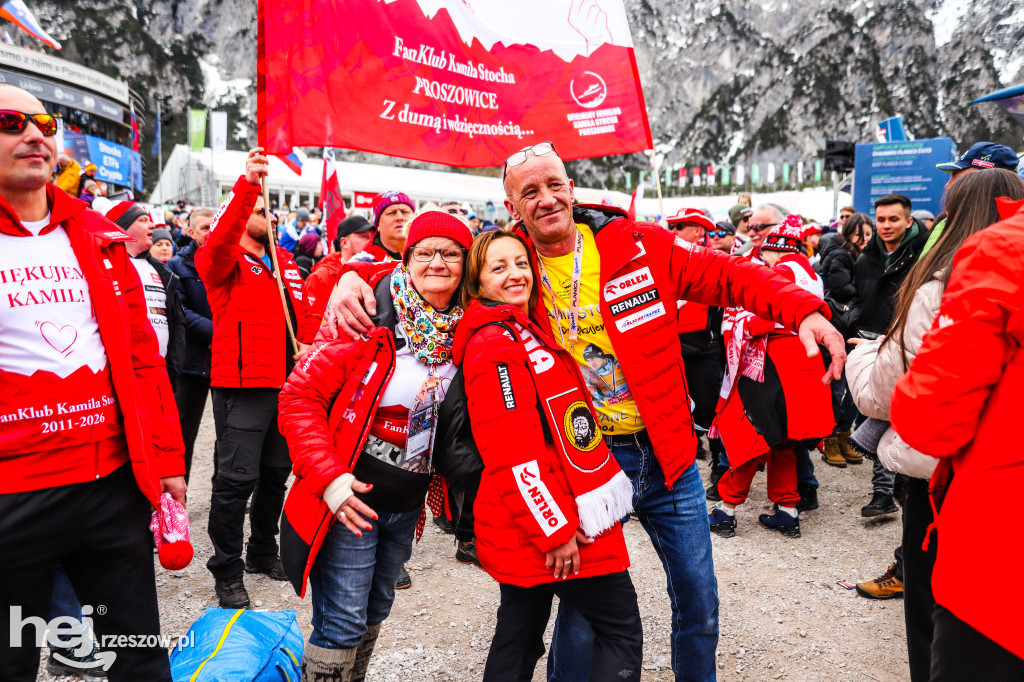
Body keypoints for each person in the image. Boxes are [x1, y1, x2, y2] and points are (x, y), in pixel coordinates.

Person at [327, 142, 845, 681]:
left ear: (571, 189)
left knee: (698, 600)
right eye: (530, 192)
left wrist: (803, 308)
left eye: (554, 185)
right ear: (511, 205)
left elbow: (730, 276)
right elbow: (429, 274)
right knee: (582, 614)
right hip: (586, 461)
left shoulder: (638, 244)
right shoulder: (508, 262)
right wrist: (350, 278)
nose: (546, 198)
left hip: (667, 455)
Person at [0, 83, 185, 682]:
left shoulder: (99, 239)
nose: (34, 134)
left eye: (44, 122)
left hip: (111, 488)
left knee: (139, 660)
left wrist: (166, 458)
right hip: (12, 497)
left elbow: (141, 362)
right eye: (9, 122)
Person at [277, 208, 473, 680]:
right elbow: (299, 397)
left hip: (406, 506)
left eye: (450, 253)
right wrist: (330, 481)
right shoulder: (365, 317)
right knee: (342, 622)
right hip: (349, 500)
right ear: (406, 261)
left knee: (376, 610)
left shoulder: (471, 330)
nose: (437, 263)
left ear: (468, 263)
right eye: (423, 253)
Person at [848, 169, 1024, 679]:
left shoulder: (967, 272)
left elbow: (920, 412)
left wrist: (864, 358)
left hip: (960, 488)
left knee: (938, 625)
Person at [453, 229, 642, 681]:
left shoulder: (520, 328)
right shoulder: (496, 343)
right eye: (498, 268)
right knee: (619, 631)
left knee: (519, 637)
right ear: (477, 284)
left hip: (528, 516)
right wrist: (554, 529)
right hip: (546, 519)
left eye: (521, 263)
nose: (515, 274)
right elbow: (509, 447)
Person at [197, 147, 309, 609]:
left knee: (275, 476)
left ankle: (262, 552)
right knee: (235, 480)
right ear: (243, 216)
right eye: (262, 209)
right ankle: (226, 569)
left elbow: (308, 319)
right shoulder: (223, 261)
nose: (271, 213)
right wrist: (247, 187)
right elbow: (220, 239)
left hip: (287, 388)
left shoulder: (286, 264)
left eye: (270, 208)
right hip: (242, 388)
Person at [709, 217, 835, 538]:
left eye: (764, 251)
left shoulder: (780, 272)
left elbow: (763, 319)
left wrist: (741, 327)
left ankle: (726, 509)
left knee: (752, 434)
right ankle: (788, 510)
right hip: (804, 365)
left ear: (773, 251)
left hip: (774, 365)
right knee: (785, 441)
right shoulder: (812, 274)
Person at [854, 194, 929, 518]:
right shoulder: (865, 258)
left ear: (908, 221)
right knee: (873, 415)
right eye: (880, 220)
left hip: (906, 346)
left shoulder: (924, 254)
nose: (885, 226)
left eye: (893, 219)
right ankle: (886, 492)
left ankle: (895, 492)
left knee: (900, 418)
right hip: (870, 344)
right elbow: (855, 297)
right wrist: (853, 322)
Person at [94, 197, 186, 391]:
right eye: (143, 220)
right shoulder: (102, 266)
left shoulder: (163, 272)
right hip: (120, 378)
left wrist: (172, 370)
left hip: (160, 376)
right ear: (121, 227)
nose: (152, 224)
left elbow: (177, 325)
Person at [815, 213, 870, 467]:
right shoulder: (841, 254)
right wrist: (867, 292)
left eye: (868, 234)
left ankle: (843, 435)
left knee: (852, 387)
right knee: (837, 388)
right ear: (849, 233)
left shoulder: (864, 256)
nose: (864, 239)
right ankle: (830, 439)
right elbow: (839, 287)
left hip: (853, 327)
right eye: (860, 234)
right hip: (839, 327)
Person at [166, 207, 215, 484]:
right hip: (192, 363)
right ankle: (177, 491)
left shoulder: (232, 260)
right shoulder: (176, 266)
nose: (211, 233)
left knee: (230, 436)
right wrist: (223, 332)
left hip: (226, 362)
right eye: (205, 228)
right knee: (183, 435)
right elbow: (180, 311)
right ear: (191, 232)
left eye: (214, 226)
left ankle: (226, 493)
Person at [922, 141, 1020, 255]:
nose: (947, 186)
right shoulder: (943, 225)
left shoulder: (1010, 238)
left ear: (990, 184)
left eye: (959, 179)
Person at [299, 215, 375, 345]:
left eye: (371, 237)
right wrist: (310, 348)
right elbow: (310, 320)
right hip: (330, 349)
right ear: (344, 242)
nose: (370, 241)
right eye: (364, 237)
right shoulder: (321, 276)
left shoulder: (375, 270)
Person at [350, 191, 414, 262]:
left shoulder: (425, 256)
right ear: (378, 225)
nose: (399, 217)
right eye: (391, 213)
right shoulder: (361, 262)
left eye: (404, 212)